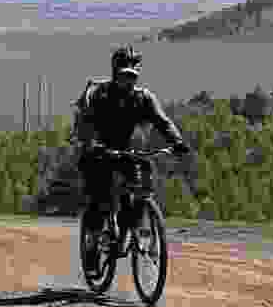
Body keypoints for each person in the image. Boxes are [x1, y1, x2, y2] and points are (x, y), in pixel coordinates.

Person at [71, 46, 191, 278]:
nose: (129, 80)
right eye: (125, 75)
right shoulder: (100, 95)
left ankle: (130, 228)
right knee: (100, 200)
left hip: (126, 152)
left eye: (133, 76)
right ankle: (91, 249)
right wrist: (91, 143)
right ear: (115, 73)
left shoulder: (142, 98)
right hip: (99, 151)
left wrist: (177, 141)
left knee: (136, 192)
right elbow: (85, 123)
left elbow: (162, 122)